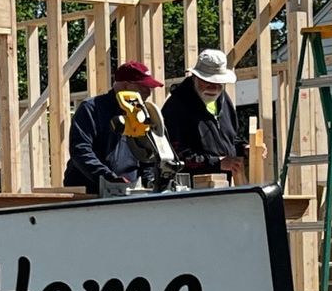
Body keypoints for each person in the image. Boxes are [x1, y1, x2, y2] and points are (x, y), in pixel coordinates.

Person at [64, 60, 161, 195]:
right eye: (143, 87)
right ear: (125, 86)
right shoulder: (91, 109)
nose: (148, 93)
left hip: (129, 192)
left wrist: (149, 180)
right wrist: (109, 178)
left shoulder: (140, 114)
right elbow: (80, 150)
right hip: (89, 192)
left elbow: (146, 154)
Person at [162, 48, 242, 181]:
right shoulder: (176, 107)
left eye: (218, 82)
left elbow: (230, 139)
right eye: (208, 81)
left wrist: (245, 148)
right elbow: (175, 156)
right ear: (195, 77)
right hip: (191, 188)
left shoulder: (223, 99)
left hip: (222, 185)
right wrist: (216, 163)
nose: (214, 87)